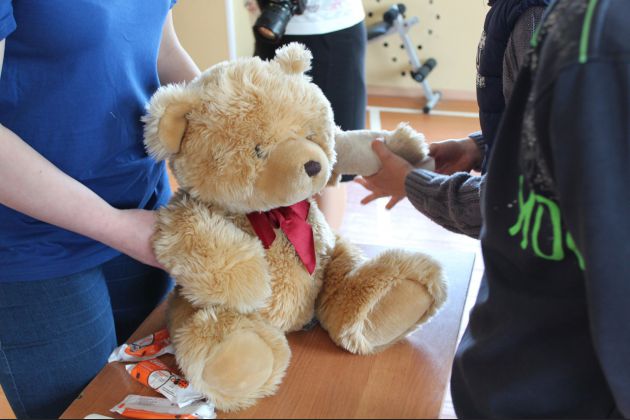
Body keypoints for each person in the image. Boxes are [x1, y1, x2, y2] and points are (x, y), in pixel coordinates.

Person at [365, 0, 630, 416]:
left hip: (544, 376)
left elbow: (513, 202)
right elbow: (548, 132)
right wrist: (481, 145)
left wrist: (414, 184)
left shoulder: (552, 29)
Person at [0, 1, 200, 418]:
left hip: (143, 211)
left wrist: (244, 132)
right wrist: (116, 227)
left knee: (162, 400)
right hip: (32, 245)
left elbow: (161, 49)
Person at [357, 0, 548, 239]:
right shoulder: (520, 14)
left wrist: (414, 184)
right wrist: (478, 148)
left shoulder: (534, 23)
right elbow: (537, 134)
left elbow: (519, 201)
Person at [250, 0, 367, 230]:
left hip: (333, 30)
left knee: (329, 158)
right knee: (271, 150)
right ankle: (286, 246)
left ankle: (325, 249)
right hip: (273, 28)